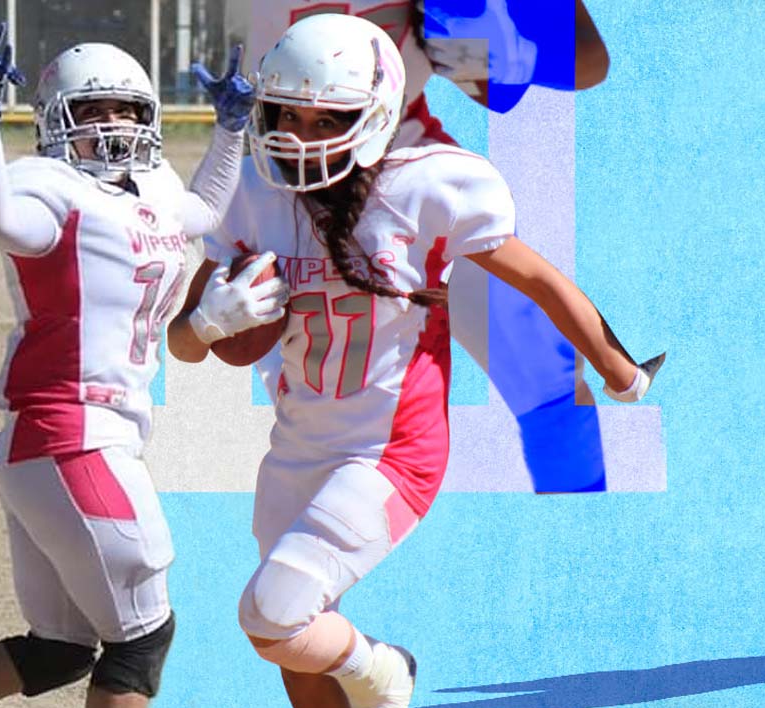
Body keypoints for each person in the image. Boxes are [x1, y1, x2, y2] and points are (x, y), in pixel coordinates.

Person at [167, 14, 663, 708]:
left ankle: (386, 672)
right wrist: (210, 321)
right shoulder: (252, 186)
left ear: (371, 114)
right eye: (287, 115)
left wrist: (619, 371)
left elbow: (543, 281)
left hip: (391, 452)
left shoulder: (429, 180)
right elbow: (184, 345)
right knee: (290, 642)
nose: (299, 136)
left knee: (273, 612)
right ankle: (374, 698)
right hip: (296, 449)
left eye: (325, 118)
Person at [0, 22, 254, 708]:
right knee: (142, 640)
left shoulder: (148, 183)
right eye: (93, 112)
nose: (114, 125)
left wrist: (232, 128)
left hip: (52, 449)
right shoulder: (48, 186)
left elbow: (205, 209)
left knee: (61, 649)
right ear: (58, 121)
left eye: (127, 109)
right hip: (74, 439)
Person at [242, 0, 615, 493]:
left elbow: (586, 59)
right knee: (324, 427)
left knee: (546, 375)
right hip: (280, 185)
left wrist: (497, 48)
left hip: (406, 174)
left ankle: (578, 539)